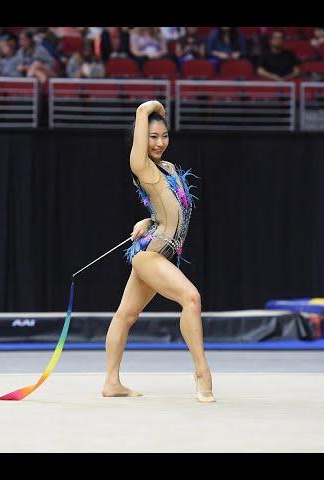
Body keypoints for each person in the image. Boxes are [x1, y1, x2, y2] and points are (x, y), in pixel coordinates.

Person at [103, 100, 215, 403]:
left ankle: (111, 382)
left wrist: (148, 218)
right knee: (191, 298)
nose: (160, 142)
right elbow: (142, 119)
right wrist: (147, 107)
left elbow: (172, 211)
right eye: (152, 137)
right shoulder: (144, 168)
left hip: (158, 251)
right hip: (149, 256)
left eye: (164, 136)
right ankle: (202, 372)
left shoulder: (166, 170)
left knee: (125, 316)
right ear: (141, 137)